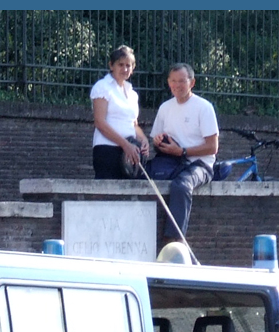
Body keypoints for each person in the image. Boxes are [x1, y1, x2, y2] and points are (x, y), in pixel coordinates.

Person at [149, 64, 219, 244]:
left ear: (192, 82)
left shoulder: (204, 107)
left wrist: (183, 151)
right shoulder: (165, 108)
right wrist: (158, 143)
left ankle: (174, 240)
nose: (177, 85)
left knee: (182, 186)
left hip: (199, 164)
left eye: (181, 81)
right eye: (173, 81)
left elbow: (212, 147)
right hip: (172, 160)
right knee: (144, 178)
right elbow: (156, 141)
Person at [90, 45, 149, 180]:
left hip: (129, 152)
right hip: (107, 150)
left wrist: (143, 139)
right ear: (111, 66)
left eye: (128, 65)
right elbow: (100, 122)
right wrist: (125, 145)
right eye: (120, 65)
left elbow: (133, 124)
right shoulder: (102, 87)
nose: (125, 69)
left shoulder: (132, 94)